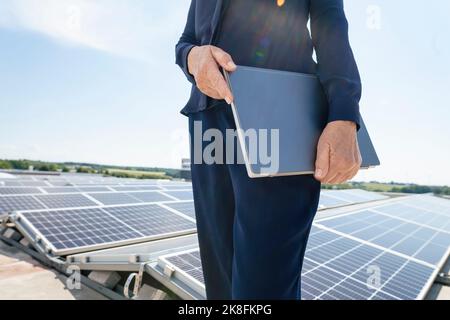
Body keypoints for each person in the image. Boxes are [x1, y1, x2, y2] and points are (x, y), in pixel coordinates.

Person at [176, 0, 362, 300]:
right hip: (207, 123)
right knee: (221, 284)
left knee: (263, 288)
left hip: (278, 119)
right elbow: (186, 42)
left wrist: (344, 113)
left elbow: (331, 24)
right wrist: (192, 57)